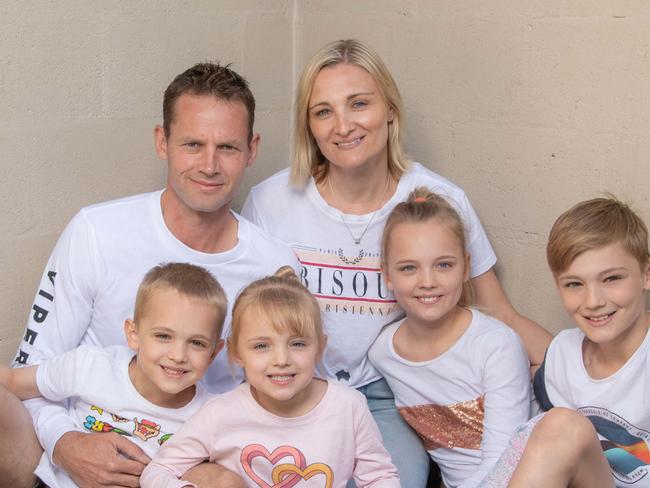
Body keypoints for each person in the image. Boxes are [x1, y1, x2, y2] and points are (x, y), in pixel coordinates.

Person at [241, 38, 552, 486]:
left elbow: (499, 312)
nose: (343, 125)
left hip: (387, 392)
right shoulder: (272, 201)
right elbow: (248, 314)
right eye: (323, 111)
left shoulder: (437, 198)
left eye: (359, 104)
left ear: (390, 109)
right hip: (294, 385)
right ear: (308, 125)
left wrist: (584, 371)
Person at [3, 62, 298, 488]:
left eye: (228, 148)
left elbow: (287, 390)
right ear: (163, 142)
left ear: (252, 149)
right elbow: (32, 369)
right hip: (73, 445)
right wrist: (64, 442)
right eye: (193, 144)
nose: (210, 165)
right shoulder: (96, 231)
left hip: (187, 462)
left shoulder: (274, 265)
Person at [140, 267, 400, 488]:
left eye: (297, 344)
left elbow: (379, 477)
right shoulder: (220, 413)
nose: (281, 360)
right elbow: (158, 470)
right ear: (237, 352)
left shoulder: (348, 406)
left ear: (320, 347)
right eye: (261, 346)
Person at [1, 262, 227, 487]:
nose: (178, 355)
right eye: (163, 336)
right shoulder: (92, 365)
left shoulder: (212, 416)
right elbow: (13, 381)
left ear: (214, 353)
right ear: (134, 334)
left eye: (197, 343)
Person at [529, 196, 650, 487]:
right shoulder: (562, 353)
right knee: (557, 425)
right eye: (574, 284)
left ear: (647, 274)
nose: (593, 301)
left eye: (611, 279)